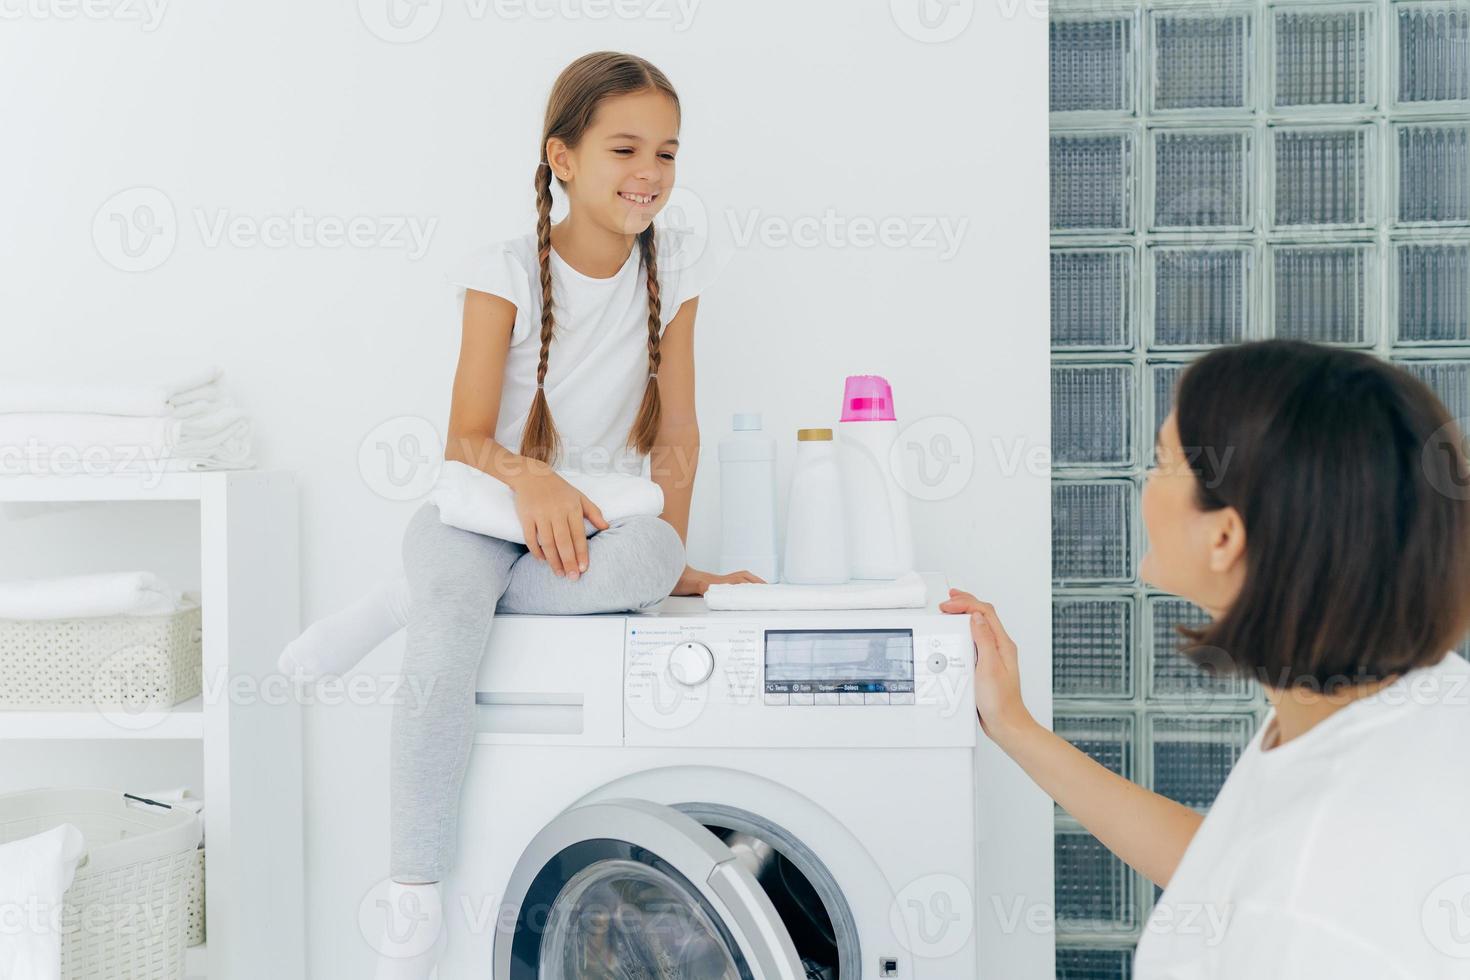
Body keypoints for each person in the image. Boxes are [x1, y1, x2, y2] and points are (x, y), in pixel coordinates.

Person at [364, 51, 763, 979]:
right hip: (477, 514)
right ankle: (411, 891)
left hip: (580, 536)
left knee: (647, 560)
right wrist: (531, 480)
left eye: (667, 153)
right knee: (449, 634)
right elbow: (464, 437)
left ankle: (428, 595)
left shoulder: (679, 267)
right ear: (563, 157)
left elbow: (677, 427)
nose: (649, 174)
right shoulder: (502, 269)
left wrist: (679, 560)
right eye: (625, 147)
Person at [942, 339, 1470, 978]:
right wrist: (1014, 727)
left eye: (1164, 462)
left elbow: (1277, 897)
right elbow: (1227, 871)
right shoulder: (1405, 697)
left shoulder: (1306, 911)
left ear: (1224, 535)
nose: (1145, 482)